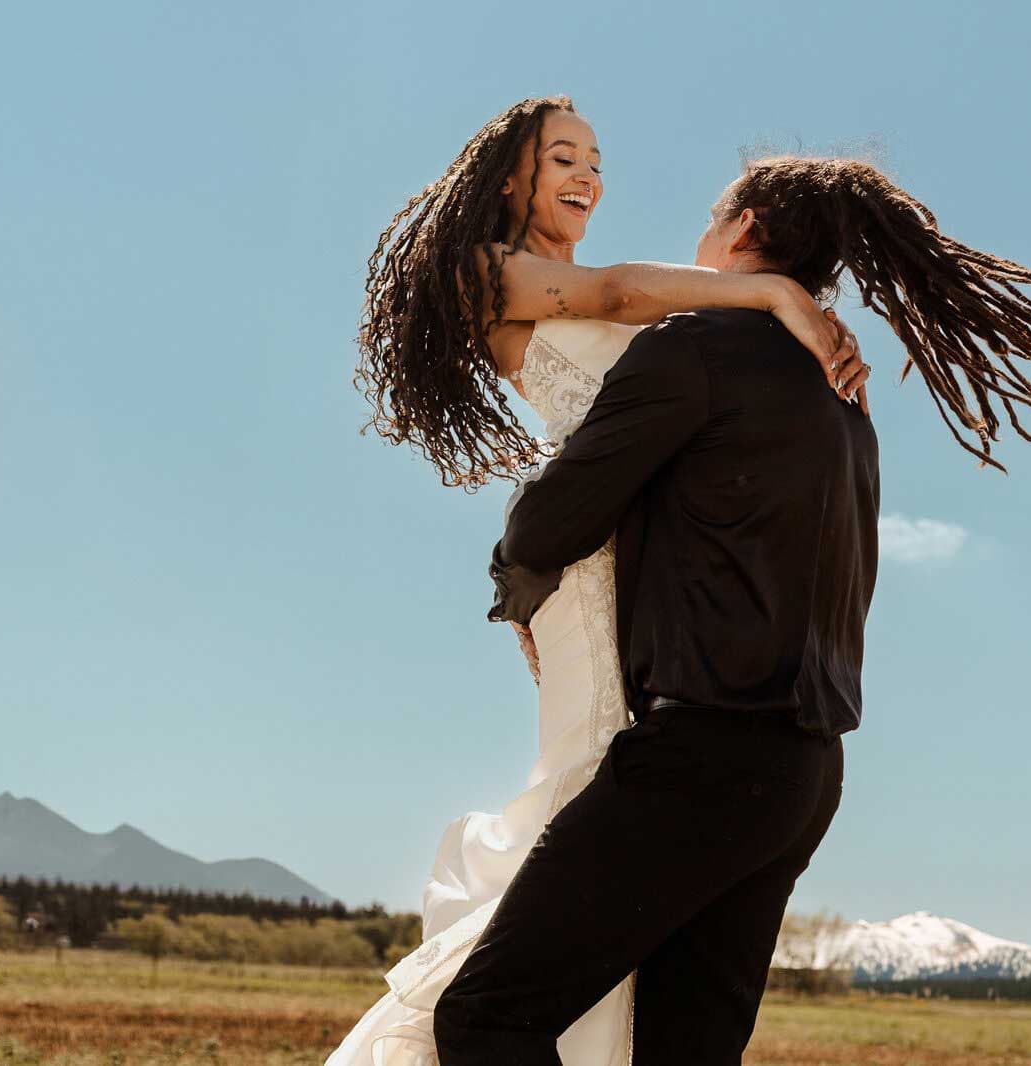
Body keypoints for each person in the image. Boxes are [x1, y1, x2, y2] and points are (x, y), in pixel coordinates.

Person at [326, 96, 864, 1066]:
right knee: (597, 818)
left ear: (741, 228)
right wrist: (777, 294)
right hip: (605, 584)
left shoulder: (701, 339)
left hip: (664, 609)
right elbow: (618, 295)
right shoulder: (488, 271)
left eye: (596, 159)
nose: (587, 175)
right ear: (506, 181)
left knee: (615, 884)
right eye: (561, 157)